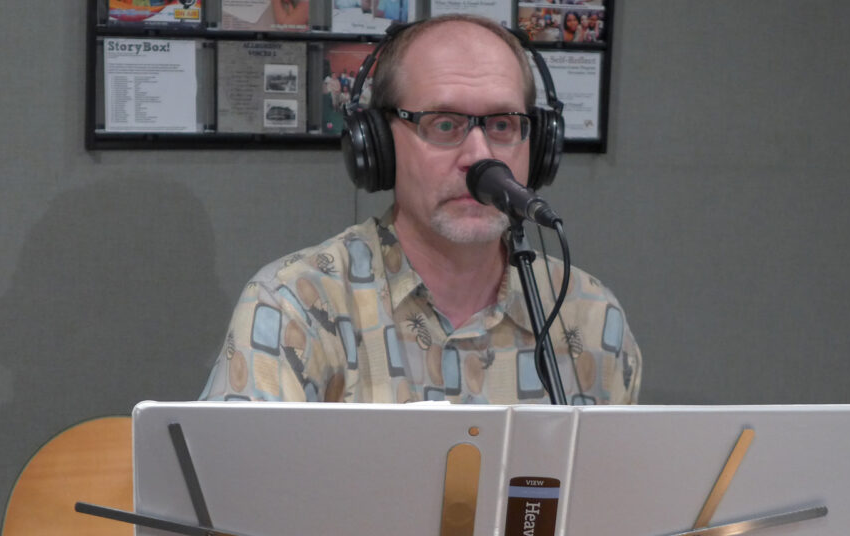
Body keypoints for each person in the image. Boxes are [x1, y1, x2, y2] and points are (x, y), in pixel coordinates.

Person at [201, 14, 641, 404]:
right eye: (444, 124)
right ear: (377, 146)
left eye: (503, 125)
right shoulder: (295, 308)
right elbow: (239, 491)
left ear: (540, 146)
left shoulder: (590, 316)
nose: (479, 155)